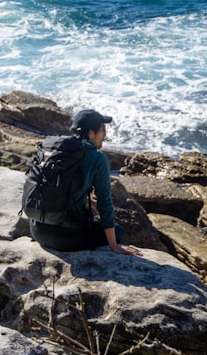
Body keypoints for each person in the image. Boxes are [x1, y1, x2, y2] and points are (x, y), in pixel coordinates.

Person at [29, 109, 142, 256]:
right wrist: (114, 246)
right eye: (102, 129)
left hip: (37, 230)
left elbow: (61, 188)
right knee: (118, 230)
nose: (105, 134)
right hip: (62, 238)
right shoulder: (97, 158)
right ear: (91, 133)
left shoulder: (56, 150)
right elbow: (105, 202)